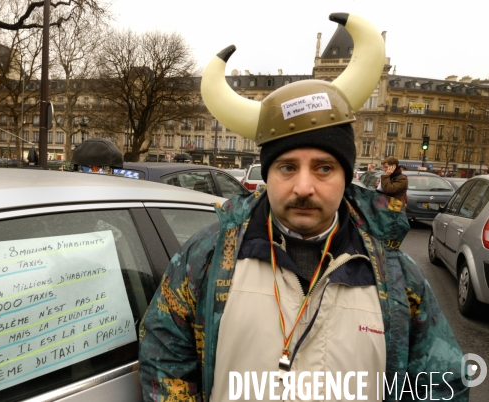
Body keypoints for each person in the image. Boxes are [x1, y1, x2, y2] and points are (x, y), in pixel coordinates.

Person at [139, 13, 468, 402]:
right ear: (267, 174)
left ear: (347, 176)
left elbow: (440, 384)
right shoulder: (205, 259)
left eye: (324, 168)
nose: (304, 186)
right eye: (287, 167)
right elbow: (163, 359)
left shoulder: (397, 275)